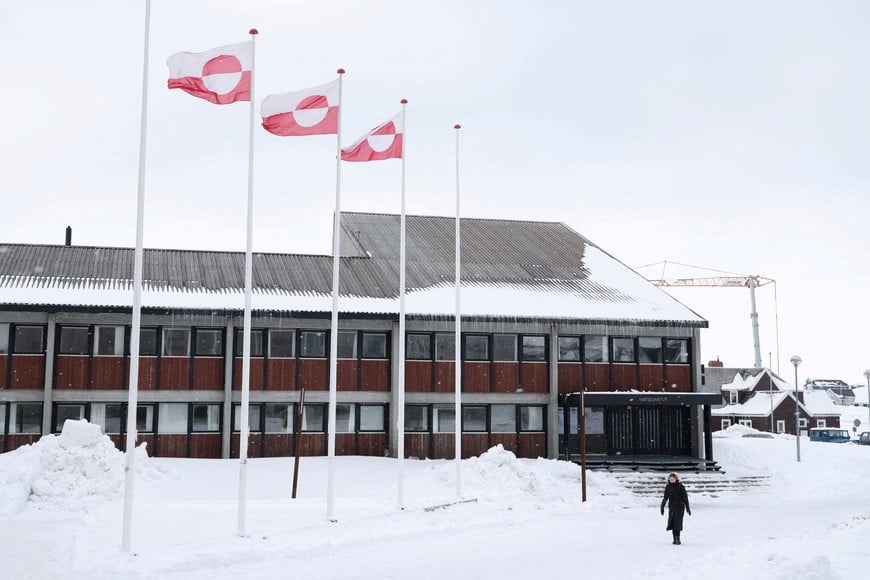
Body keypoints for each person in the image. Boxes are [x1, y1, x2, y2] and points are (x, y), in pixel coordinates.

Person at [660, 472, 691, 545]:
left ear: (676, 479)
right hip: (672, 507)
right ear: (668, 479)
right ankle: (674, 539)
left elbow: (685, 497)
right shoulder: (668, 487)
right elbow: (665, 497)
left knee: (678, 523)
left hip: (680, 507)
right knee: (672, 523)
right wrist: (662, 506)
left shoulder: (680, 486)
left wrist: (687, 507)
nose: (672, 480)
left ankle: (678, 538)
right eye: (670, 479)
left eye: (673, 479)